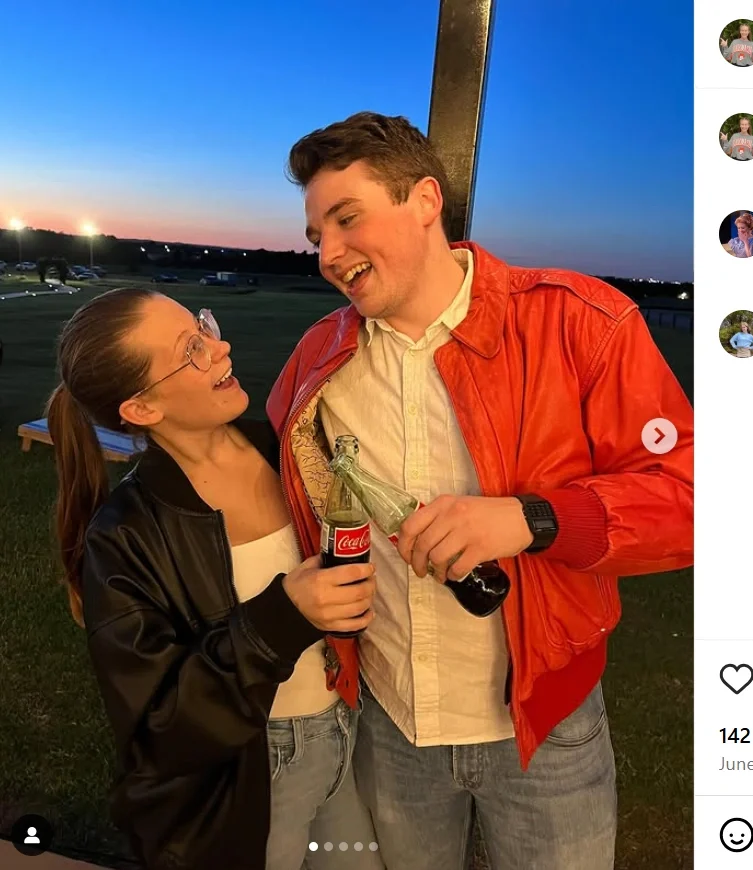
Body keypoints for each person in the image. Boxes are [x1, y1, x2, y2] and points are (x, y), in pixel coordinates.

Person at [267, 111, 695, 870]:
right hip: (392, 729)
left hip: (542, 731)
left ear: (425, 200)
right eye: (316, 237)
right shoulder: (318, 361)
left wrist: (533, 519)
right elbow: (266, 483)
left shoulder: (582, 323)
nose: (329, 254)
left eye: (346, 218)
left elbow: (688, 500)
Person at [46, 289, 385, 869]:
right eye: (193, 349)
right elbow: (160, 728)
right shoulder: (126, 535)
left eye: (204, 326)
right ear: (144, 409)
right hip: (253, 776)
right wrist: (282, 618)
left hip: (345, 741)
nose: (221, 347)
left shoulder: (287, 446)